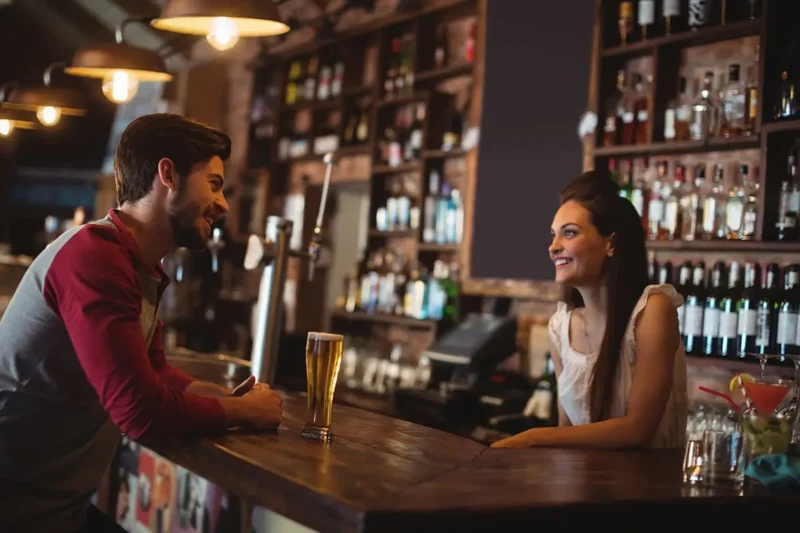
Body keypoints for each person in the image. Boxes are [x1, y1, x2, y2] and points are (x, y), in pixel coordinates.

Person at [0, 113, 284, 532]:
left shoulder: (137, 265)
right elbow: (137, 410)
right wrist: (239, 411)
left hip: (52, 510)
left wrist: (228, 397)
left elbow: (154, 372)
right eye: (214, 184)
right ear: (167, 174)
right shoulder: (96, 256)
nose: (223, 205)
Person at [492, 171, 687, 449]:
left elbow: (638, 429)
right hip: (582, 488)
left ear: (611, 244)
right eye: (553, 236)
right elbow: (566, 432)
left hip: (647, 489)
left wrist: (534, 437)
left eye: (569, 233)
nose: (553, 247)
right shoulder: (561, 327)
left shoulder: (651, 311)